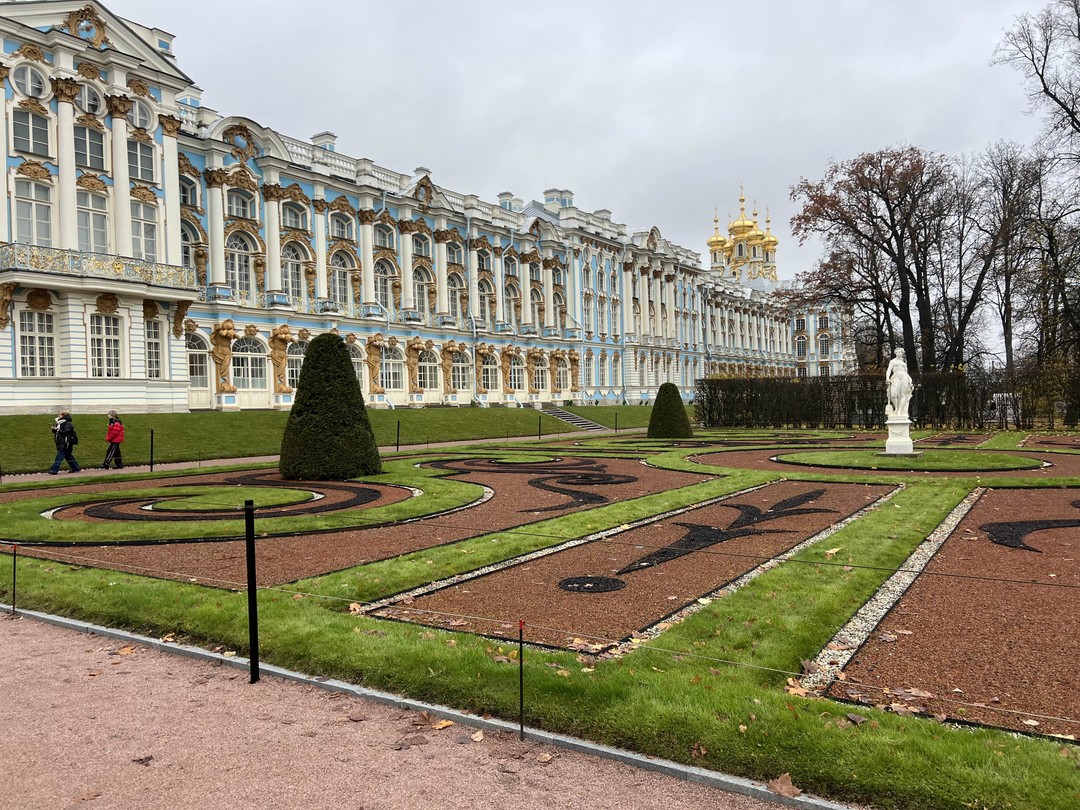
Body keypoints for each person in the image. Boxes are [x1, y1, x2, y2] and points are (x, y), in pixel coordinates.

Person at [885, 347, 914, 420]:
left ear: (902, 353)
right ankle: (897, 408)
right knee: (893, 395)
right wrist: (887, 378)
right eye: (897, 352)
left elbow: (906, 372)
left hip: (904, 377)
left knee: (902, 395)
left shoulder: (904, 363)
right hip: (895, 377)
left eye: (900, 352)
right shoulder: (892, 361)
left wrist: (910, 380)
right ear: (895, 353)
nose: (898, 353)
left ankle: (899, 411)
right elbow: (889, 370)